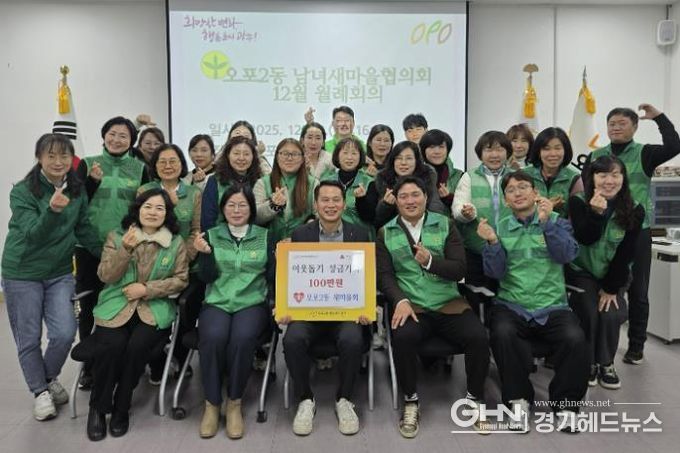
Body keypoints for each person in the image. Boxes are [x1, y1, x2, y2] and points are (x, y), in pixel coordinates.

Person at [376, 176, 490, 438]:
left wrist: (430, 262)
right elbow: (385, 276)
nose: (410, 201)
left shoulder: (446, 224)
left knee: (478, 337)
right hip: (413, 306)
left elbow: (459, 269)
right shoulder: (385, 232)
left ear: (426, 197)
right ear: (396, 201)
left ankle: (475, 399)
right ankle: (411, 401)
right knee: (403, 338)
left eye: (415, 195)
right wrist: (400, 300)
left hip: (448, 303)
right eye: (403, 196)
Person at [2, 133, 101, 421]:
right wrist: (52, 210)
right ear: (39, 158)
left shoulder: (77, 189)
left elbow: (83, 228)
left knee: (64, 333)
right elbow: (34, 234)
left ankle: (46, 378)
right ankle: (40, 392)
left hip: (59, 272)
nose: (58, 161)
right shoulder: (22, 191)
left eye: (64, 155)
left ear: (72, 159)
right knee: (29, 337)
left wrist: (108, 254)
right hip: (22, 273)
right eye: (51, 155)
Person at [479, 171, 587, 433]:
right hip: (512, 304)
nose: (517, 193)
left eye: (523, 187)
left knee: (575, 338)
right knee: (502, 333)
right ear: (506, 201)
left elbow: (566, 255)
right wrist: (492, 241)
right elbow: (495, 273)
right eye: (511, 190)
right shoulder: (500, 227)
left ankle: (566, 406)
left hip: (553, 305)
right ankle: (518, 401)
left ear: (535, 193)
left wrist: (547, 223)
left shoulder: (557, 221)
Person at [84, 189, 189, 441]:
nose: (153, 212)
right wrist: (124, 250)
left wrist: (147, 289)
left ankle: (122, 406)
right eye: (147, 207)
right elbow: (106, 275)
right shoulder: (118, 236)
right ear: (137, 209)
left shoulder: (175, 242)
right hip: (116, 306)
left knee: (137, 347)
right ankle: (98, 408)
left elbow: (181, 279)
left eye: (160, 208)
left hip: (154, 309)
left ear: (167, 214)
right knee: (111, 346)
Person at [584, 103, 680, 365]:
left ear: (635, 127)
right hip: (603, 230)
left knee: (638, 291)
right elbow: (586, 190)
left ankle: (636, 346)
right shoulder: (596, 156)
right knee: (601, 286)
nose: (616, 127)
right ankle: (599, 347)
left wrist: (659, 117)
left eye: (622, 123)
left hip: (636, 230)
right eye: (612, 123)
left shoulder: (644, 153)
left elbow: (674, 146)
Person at [279, 180, 371, 436]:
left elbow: (364, 277)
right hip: (308, 312)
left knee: (353, 339)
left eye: (336, 200)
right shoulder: (301, 234)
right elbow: (292, 277)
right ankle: (305, 399)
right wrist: (285, 307)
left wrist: (366, 307)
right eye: (325, 200)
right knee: (292, 339)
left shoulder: (359, 234)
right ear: (316, 204)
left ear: (344, 203)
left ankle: (344, 399)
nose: (331, 205)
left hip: (346, 312)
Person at [193, 185, 273, 439]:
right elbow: (206, 277)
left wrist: (282, 254)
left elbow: (272, 276)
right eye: (231, 205)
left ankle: (234, 402)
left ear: (251, 209)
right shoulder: (210, 235)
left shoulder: (265, 236)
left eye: (242, 205)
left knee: (242, 338)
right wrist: (205, 255)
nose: (237, 210)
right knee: (213, 337)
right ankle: (212, 403)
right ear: (223, 209)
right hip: (217, 301)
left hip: (252, 303)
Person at [75, 116, 147, 390]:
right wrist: (91, 183)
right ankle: (89, 367)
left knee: (122, 303)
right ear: (104, 135)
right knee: (89, 307)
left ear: (132, 141)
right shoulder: (87, 164)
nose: (117, 139)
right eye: (112, 134)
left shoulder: (140, 168)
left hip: (124, 249)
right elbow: (74, 202)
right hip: (88, 247)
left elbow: (144, 208)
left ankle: (119, 362)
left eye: (123, 136)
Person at [567, 155, 644, 390]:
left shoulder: (635, 209)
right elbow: (585, 238)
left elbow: (627, 252)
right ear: (592, 178)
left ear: (623, 178)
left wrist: (611, 288)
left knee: (611, 314)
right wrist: (595, 214)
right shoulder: (578, 201)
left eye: (615, 175)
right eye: (602, 175)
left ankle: (606, 363)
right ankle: (589, 362)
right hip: (582, 270)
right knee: (590, 311)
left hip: (615, 274)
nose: (609, 181)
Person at [138, 144, 201, 383]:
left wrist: (181, 259)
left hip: (185, 266)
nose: (167, 166)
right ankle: (157, 361)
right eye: (162, 161)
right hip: (149, 268)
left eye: (173, 161)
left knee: (185, 314)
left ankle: (181, 358)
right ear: (154, 166)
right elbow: (140, 226)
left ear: (181, 164)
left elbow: (196, 231)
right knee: (152, 315)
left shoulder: (193, 193)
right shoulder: (145, 190)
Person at [452, 131, 512, 297]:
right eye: (488, 150)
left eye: (499, 150)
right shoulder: (469, 177)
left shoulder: (514, 177)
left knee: (507, 295)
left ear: (507, 152)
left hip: (510, 248)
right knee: (479, 298)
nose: (494, 155)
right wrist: (466, 213)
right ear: (480, 153)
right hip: (476, 251)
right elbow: (457, 208)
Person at [254, 138, 317, 243]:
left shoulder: (314, 183)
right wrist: (273, 205)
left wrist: (298, 238)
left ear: (302, 159)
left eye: (295, 154)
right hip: (267, 245)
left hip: (302, 245)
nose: (289, 158)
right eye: (284, 154)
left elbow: (320, 217)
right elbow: (256, 217)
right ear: (277, 157)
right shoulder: (262, 183)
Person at [373, 140, 447, 228]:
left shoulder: (427, 177)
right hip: (394, 230)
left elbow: (434, 205)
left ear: (416, 161)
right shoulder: (383, 179)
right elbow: (378, 220)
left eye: (409, 158)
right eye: (399, 158)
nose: (403, 163)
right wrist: (386, 205)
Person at [201, 136, 262, 231]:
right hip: (220, 236)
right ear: (228, 155)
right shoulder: (214, 180)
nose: (241, 158)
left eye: (246, 154)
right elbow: (208, 218)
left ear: (253, 157)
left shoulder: (260, 181)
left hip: (254, 237)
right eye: (236, 153)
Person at [322, 137, 377, 238]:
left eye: (354, 153)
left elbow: (370, 217)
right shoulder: (326, 182)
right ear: (337, 156)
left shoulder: (369, 182)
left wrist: (361, 199)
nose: (349, 157)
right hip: (331, 237)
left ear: (360, 157)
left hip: (360, 238)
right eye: (345, 153)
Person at [524, 127, 583, 218]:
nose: (553, 154)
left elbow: (578, 219)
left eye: (557, 148)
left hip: (562, 226)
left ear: (565, 150)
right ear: (538, 152)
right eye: (546, 149)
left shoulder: (574, 178)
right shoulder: (524, 175)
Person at [420, 129, 464, 210]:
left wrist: (448, 197)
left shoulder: (459, 176)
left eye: (441, 147)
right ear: (423, 151)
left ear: (447, 150)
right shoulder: (415, 174)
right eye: (432, 147)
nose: (437, 151)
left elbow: (467, 206)